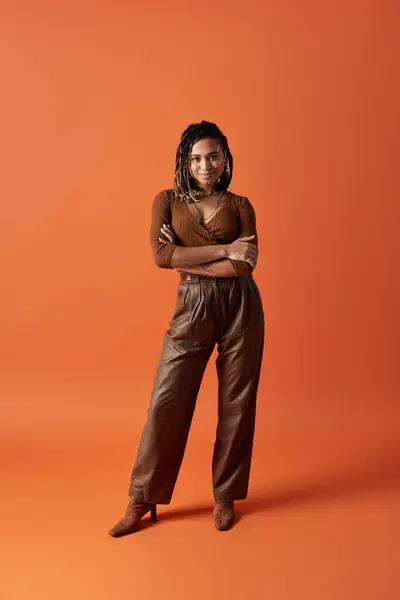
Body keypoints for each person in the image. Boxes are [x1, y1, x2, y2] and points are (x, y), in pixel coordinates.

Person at [109, 120, 264, 537]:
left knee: (237, 401)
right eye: (196, 158)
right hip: (192, 304)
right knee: (167, 400)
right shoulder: (166, 201)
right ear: (184, 161)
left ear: (225, 158)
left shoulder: (241, 205)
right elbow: (161, 256)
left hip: (241, 305)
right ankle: (142, 498)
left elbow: (245, 264)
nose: (205, 165)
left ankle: (225, 495)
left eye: (213, 156)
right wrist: (224, 250)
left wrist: (188, 256)